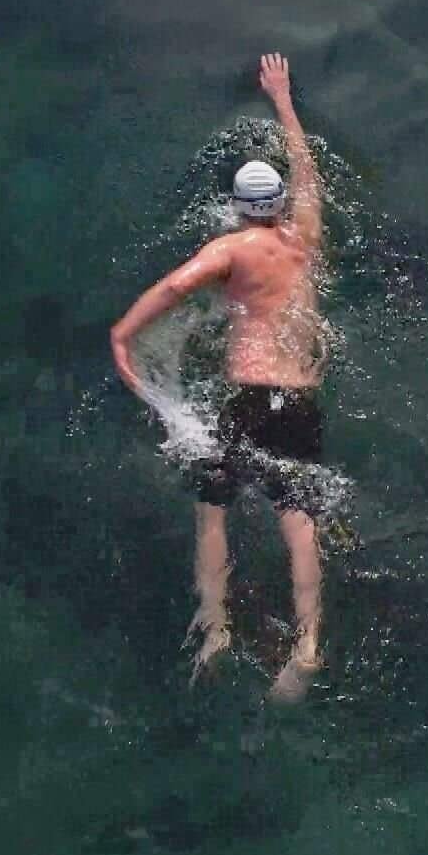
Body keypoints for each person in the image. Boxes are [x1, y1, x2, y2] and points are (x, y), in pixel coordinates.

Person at [111, 54, 330, 703]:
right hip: (302, 395)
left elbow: (179, 285)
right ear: (282, 203)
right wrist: (284, 101)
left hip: (250, 391)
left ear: (238, 209)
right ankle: (310, 643)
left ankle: (215, 631)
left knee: (212, 514)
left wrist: (125, 332)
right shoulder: (305, 235)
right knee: (300, 522)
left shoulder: (231, 249)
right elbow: (310, 173)